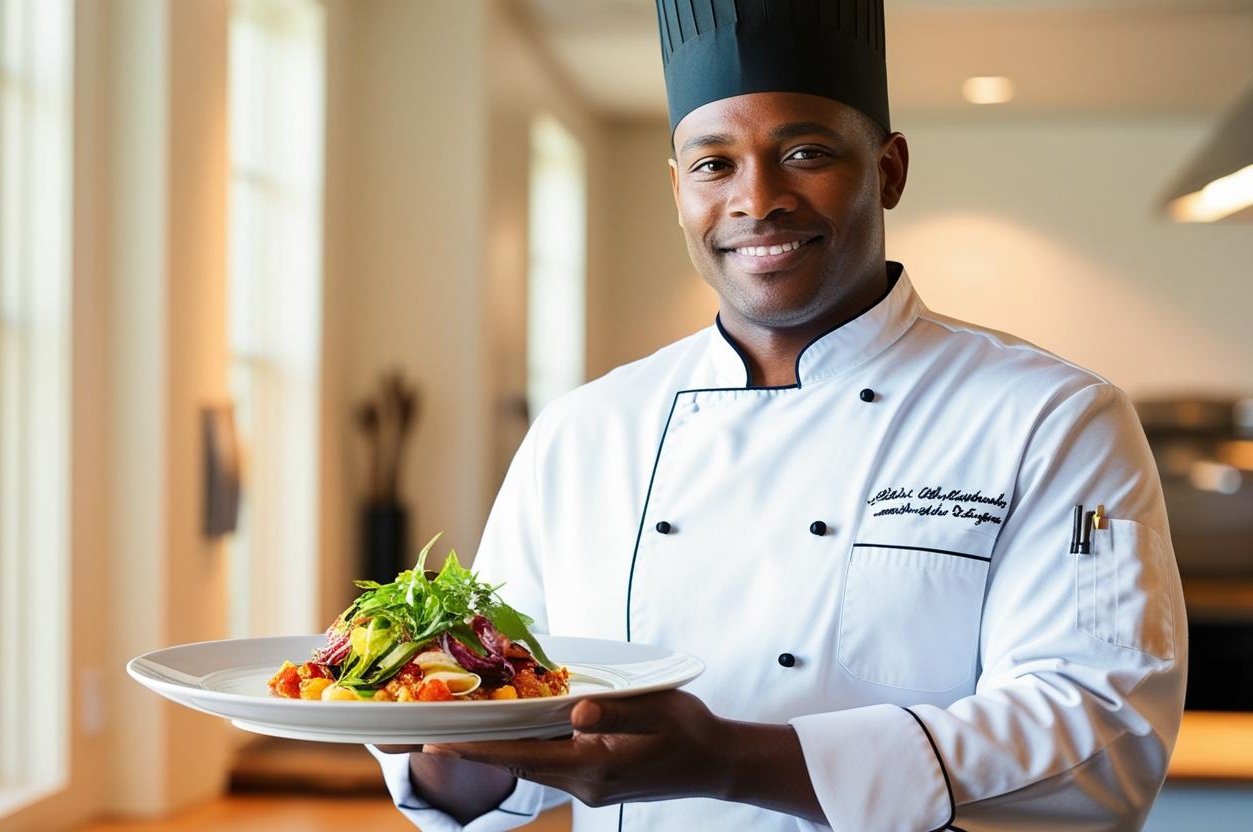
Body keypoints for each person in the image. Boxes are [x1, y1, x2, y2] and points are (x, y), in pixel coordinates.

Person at [372, 1, 1187, 829]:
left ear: (890, 170)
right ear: (677, 189)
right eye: (713, 165)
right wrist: (425, 734)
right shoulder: (583, 431)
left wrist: (727, 760)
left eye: (805, 152)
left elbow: (1099, 734)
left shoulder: (1052, 417)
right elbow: (516, 728)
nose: (757, 200)